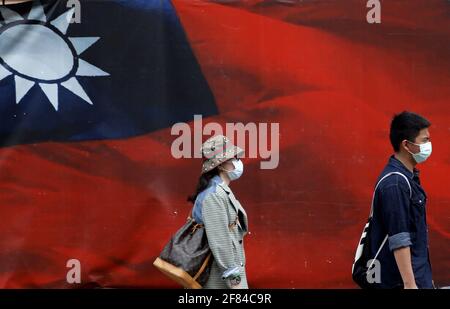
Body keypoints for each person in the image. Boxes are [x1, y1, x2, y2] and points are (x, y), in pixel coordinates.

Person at [369, 111, 433, 288]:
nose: (429, 145)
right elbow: (400, 239)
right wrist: (410, 284)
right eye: (425, 140)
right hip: (402, 282)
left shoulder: (408, 177)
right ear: (406, 145)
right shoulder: (395, 183)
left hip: (419, 276)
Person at [187, 135, 249, 289]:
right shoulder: (214, 195)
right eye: (233, 157)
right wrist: (236, 283)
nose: (237, 161)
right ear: (220, 164)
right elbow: (220, 242)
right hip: (218, 280)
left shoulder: (220, 191)